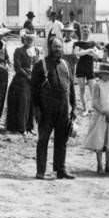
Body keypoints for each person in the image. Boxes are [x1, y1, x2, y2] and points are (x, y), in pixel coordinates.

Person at [31, 38, 76, 180]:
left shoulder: (65, 64)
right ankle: (40, 172)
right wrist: (36, 109)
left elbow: (71, 87)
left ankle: (60, 170)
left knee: (61, 141)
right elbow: (33, 90)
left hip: (63, 109)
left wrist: (74, 107)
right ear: (49, 48)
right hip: (46, 110)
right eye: (55, 47)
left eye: (60, 47)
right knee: (43, 140)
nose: (58, 49)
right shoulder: (41, 64)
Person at [82, 65, 109, 175]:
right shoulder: (97, 85)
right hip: (101, 116)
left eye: (108, 74)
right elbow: (95, 102)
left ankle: (108, 165)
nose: (106, 76)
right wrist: (104, 112)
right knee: (100, 139)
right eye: (104, 74)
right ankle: (99, 165)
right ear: (100, 74)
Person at [6, 31, 39, 134]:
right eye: (27, 39)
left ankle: (30, 127)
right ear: (23, 39)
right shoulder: (19, 51)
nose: (29, 41)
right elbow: (17, 67)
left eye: (31, 39)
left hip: (33, 80)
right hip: (21, 80)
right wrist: (27, 75)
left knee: (32, 103)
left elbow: (37, 65)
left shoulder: (36, 51)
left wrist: (35, 75)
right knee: (23, 102)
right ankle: (22, 127)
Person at [73, 26, 101, 114]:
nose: (85, 33)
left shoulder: (93, 43)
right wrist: (89, 51)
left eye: (87, 31)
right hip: (80, 68)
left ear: (90, 33)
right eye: (84, 31)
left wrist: (87, 52)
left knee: (93, 89)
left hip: (90, 68)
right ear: (81, 32)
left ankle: (94, 108)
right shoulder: (77, 43)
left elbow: (97, 56)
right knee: (82, 89)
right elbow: (77, 53)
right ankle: (85, 108)